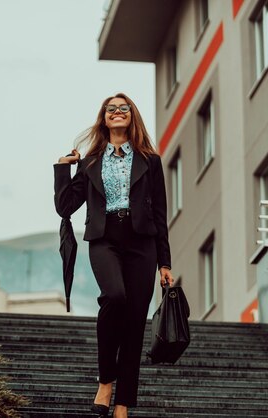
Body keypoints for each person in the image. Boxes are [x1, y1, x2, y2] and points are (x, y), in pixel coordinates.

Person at [53, 93, 174, 418]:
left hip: (142, 243)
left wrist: (165, 262)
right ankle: (106, 380)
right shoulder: (91, 160)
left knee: (135, 323)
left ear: (132, 117)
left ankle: (122, 404)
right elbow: (65, 207)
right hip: (104, 238)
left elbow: (160, 213)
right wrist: (64, 168)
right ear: (104, 118)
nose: (118, 112)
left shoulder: (150, 161)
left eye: (124, 108)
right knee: (115, 297)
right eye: (112, 109)